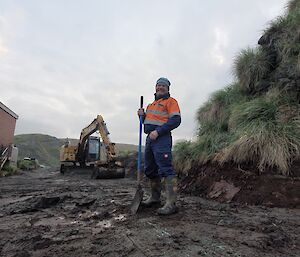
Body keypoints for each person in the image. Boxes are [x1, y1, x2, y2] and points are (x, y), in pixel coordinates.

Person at [137, 77, 181, 215]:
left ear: (168, 88)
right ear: (155, 88)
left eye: (163, 85)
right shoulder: (150, 105)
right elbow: (146, 125)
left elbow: (176, 120)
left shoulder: (171, 101)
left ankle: (171, 204)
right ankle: (155, 198)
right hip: (150, 138)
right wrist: (141, 116)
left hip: (162, 138)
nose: (160, 87)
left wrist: (159, 131)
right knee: (150, 169)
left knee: (166, 169)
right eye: (158, 85)